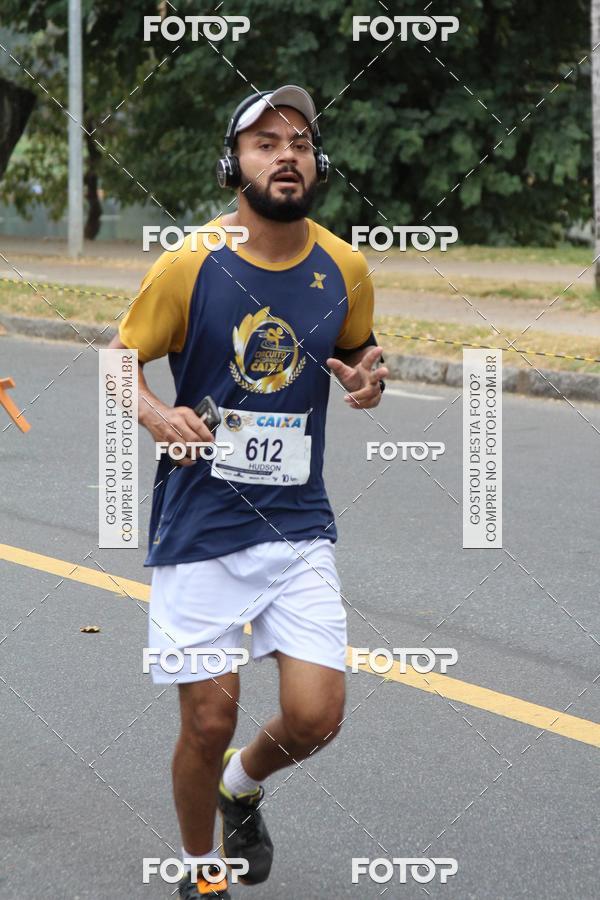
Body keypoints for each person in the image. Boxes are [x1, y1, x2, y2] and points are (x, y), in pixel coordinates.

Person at [109, 85, 388, 898]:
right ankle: (203, 872)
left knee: (316, 715)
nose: (285, 155)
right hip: (200, 521)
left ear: (318, 162)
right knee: (208, 721)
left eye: (299, 142)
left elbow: (361, 354)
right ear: (234, 165)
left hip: (296, 523)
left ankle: (242, 784)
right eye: (265, 143)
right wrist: (156, 414)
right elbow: (118, 362)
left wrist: (367, 382)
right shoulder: (190, 262)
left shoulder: (344, 267)